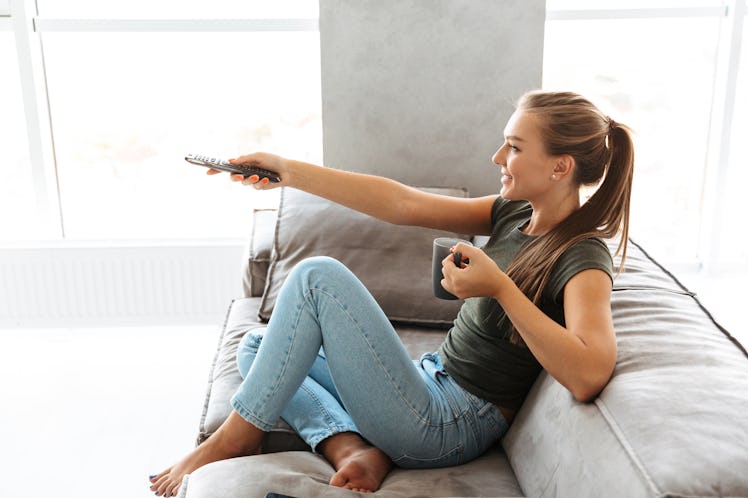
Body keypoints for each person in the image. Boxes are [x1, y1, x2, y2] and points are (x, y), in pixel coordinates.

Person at [149, 90, 634, 497]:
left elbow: (589, 374)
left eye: (514, 147)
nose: (498, 158)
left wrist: (500, 289)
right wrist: (287, 171)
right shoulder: (514, 214)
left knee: (318, 278)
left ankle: (237, 434)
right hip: (429, 382)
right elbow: (401, 203)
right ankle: (350, 448)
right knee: (257, 345)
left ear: (559, 167)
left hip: (451, 423)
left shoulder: (583, 256)